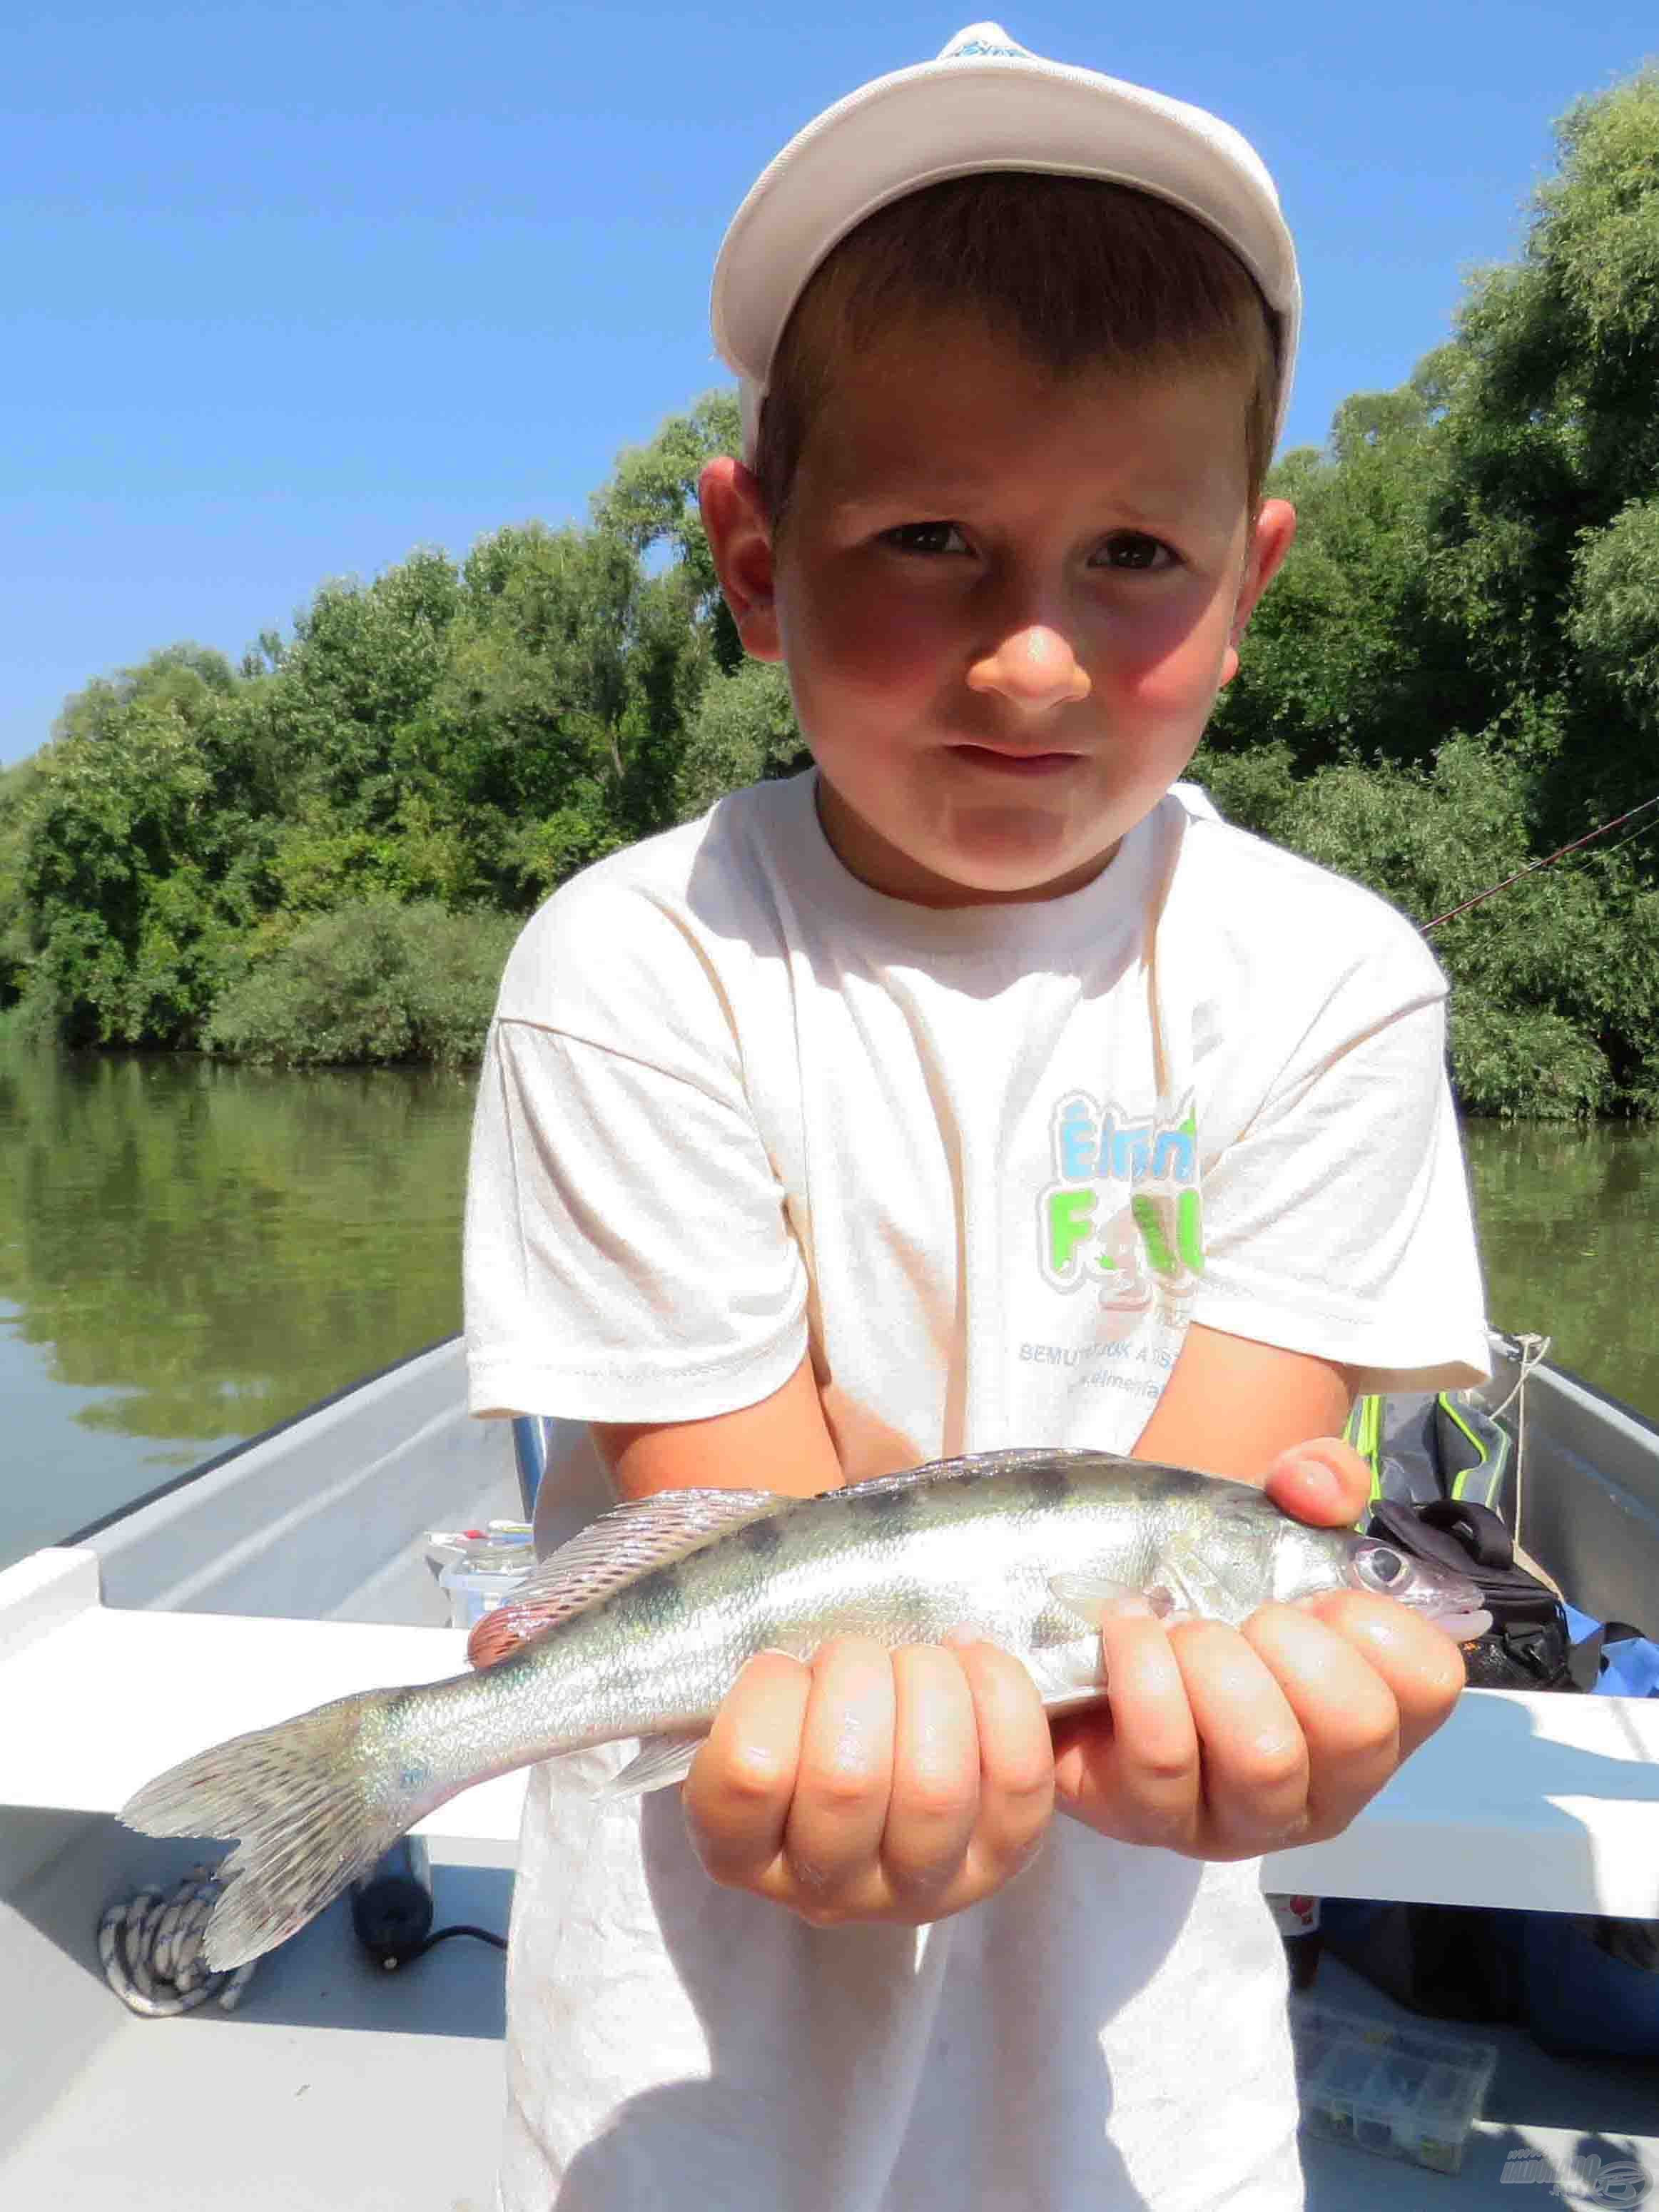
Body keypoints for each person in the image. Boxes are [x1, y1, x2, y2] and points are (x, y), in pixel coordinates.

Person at [463, 23, 1490, 2211]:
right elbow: (736, 1541)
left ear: (1254, 586)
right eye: (933, 535)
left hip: (1140, 2115)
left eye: (1135, 553)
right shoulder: (630, 970)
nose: (1032, 657)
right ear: (752, 560)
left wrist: (1245, 1737)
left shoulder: (1329, 983)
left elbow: (1192, 1562)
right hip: (690, 2100)